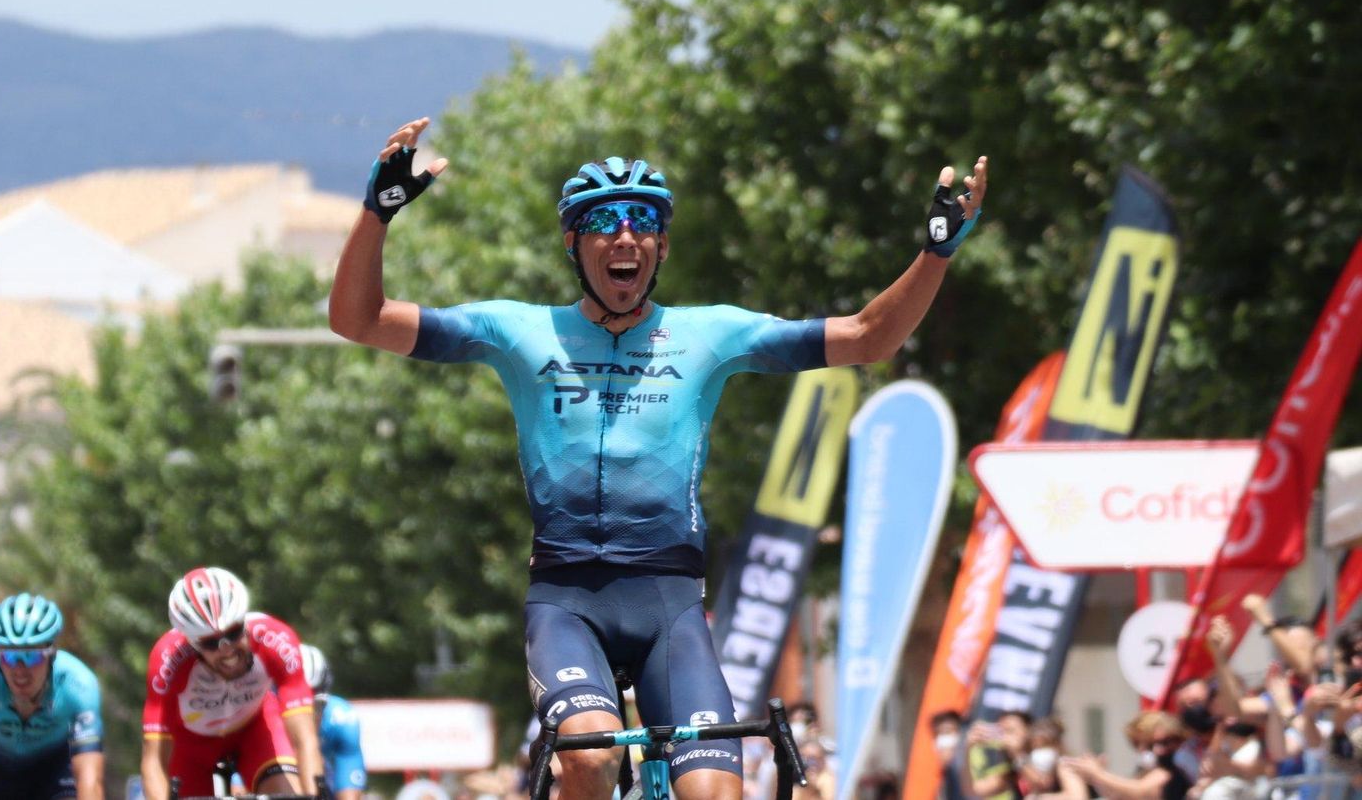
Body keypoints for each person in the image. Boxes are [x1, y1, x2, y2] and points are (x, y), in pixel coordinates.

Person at [329, 117, 989, 800]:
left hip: (670, 607)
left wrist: (934, 254)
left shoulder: (709, 334)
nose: (625, 236)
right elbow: (356, 319)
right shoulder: (519, 331)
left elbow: (867, 336)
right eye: (604, 220)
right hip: (567, 605)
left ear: (662, 244)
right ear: (572, 242)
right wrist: (378, 214)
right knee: (587, 760)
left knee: (714, 793)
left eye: (642, 220)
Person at [139, 566, 327, 800]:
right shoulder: (167, 660)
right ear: (193, 643)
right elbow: (154, 758)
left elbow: (304, 739)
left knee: (288, 792)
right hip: (190, 746)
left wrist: (314, 795)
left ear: (244, 621)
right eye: (210, 643)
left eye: (234, 632)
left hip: (256, 729)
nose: (227, 649)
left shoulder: (277, 640)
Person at [0, 593, 104, 800]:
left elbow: (90, 782)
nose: (20, 669)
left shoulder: (79, 685)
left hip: (52, 770)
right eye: (9, 657)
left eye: (31, 656)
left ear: (51, 653)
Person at [1064, 711, 1192, 800]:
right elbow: (1118, 794)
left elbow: (1139, 793)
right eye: (1145, 745)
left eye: (1164, 742)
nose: (1157, 750)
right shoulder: (1148, 770)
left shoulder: (1172, 770)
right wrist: (1095, 777)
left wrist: (1097, 774)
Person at [301, 645, 368, 800]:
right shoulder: (259, 717)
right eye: (297, 705)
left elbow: (349, 794)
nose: (304, 716)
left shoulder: (342, 718)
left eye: (316, 705)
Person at [962, 712, 1029, 800]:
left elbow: (1043, 781)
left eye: (1010, 731)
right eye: (1002, 731)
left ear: (1028, 731)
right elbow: (971, 790)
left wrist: (1018, 755)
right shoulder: (1010, 772)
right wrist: (967, 749)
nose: (1005, 737)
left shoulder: (1043, 753)